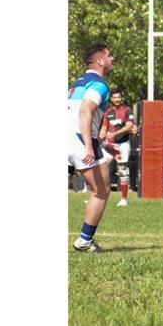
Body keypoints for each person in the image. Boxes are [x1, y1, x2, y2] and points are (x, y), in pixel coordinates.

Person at [68, 43, 117, 252]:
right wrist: (89, 146)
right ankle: (85, 241)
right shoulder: (99, 84)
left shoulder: (77, 83)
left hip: (67, 138)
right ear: (100, 61)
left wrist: (103, 144)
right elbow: (85, 112)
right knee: (102, 190)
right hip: (78, 139)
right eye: (109, 55)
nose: (112, 58)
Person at [99, 88, 137, 207]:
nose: (117, 99)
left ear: (122, 98)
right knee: (101, 167)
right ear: (111, 99)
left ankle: (124, 199)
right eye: (114, 97)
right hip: (109, 145)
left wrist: (114, 134)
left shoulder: (127, 110)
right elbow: (104, 129)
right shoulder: (108, 112)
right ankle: (99, 196)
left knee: (122, 170)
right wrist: (99, 139)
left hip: (123, 144)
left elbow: (129, 126)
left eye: (118, 97)